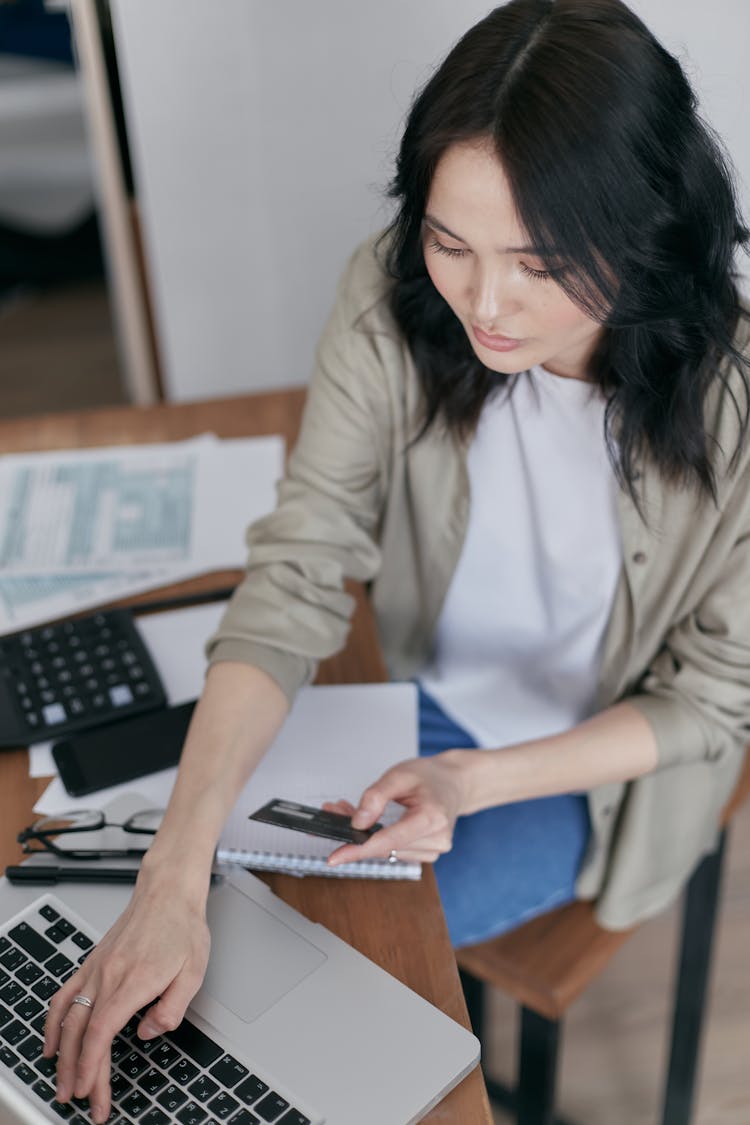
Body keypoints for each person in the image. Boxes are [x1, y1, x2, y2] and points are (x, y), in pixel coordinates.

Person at [44, 0, 750, 1120]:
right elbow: (297, 571)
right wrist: (167, 874)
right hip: (403, 693)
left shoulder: (734, 408)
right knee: (173, 893)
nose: (484, 302)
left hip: (578, 772)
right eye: (451, 240)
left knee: (324, 968)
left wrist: (470, 782)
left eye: (541, 262)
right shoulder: (393, 294)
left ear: (647, 224)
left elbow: (713, 706)